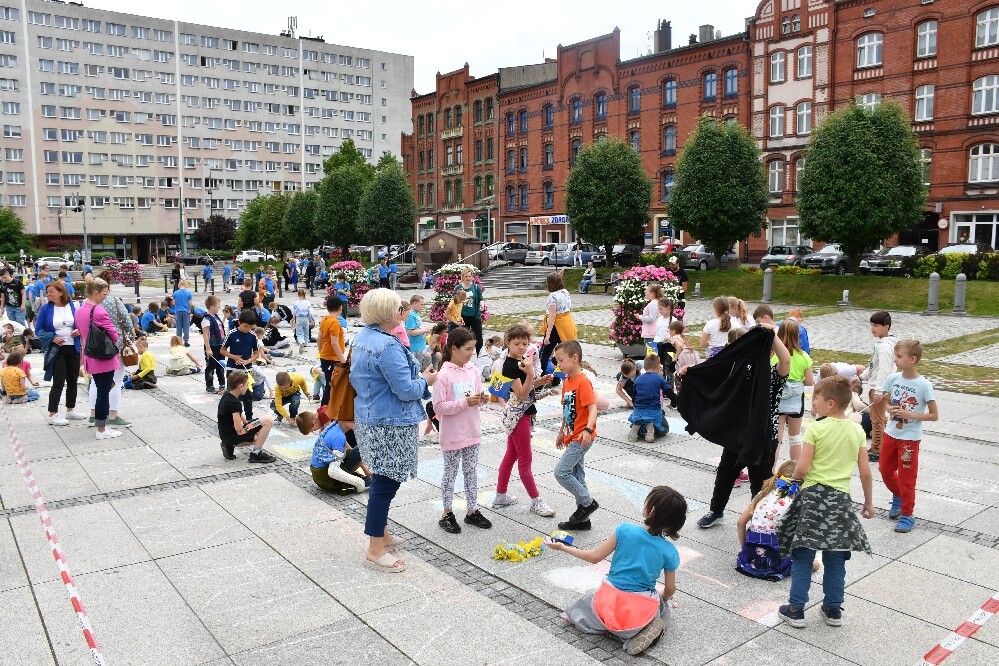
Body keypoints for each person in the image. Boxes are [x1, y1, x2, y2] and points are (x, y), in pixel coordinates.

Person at [351, 288, 439, 573]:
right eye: (399, 309)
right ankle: (375, 548)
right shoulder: (387, 346)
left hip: (369, 417)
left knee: (381, 477)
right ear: (388, 313)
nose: (402, 313)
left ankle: (382, 533)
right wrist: (426, 379)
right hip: (389, 422)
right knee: (386, 482)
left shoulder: (364, 337)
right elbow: (405, 390)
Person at [777, 376, 875, 628]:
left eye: (816, 399)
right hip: (840, 502)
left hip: (812, 500)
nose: (814, 402)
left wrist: (792, 481)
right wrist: (868, 502)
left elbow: (802, 467)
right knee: (836, 559)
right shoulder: (856, 430)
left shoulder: (817, 429)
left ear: (830, 403)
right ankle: (833, 609)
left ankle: (796, 610)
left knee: (803, 556)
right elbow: (865, 471)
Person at [550, 486, 685, 656]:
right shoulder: (669, 551)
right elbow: (670, 589)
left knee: (587, 600)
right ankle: (643, 631)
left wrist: (563, 548)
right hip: (637, 608)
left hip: (608, 599)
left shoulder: (624, 530)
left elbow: (594, 557)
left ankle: (602, 624)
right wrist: (662, 600)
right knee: (663, 611)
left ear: (651, 510)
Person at [683, 324, 791, 529]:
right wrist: (691, 371)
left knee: (760, 481)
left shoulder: (773, 375)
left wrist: (773, 335)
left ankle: (759, 515)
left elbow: (786, 359)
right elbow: (714, 376)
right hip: (737, 434)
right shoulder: (741, 373)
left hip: (763, 437)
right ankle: (716, 510)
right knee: (725, 473)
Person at [491, 323, 556, 517]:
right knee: (525, 460)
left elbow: (522, 387)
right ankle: (536, 501)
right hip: (519, 415)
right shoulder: (511, 365)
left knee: (511, 455)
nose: (521, 347)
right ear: (508, 343)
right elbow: (521, 393)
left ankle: (500, 495)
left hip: (518, 413)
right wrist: (530, 375)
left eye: (525, 343)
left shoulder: (519, 361)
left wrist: (538, 381)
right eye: (517, 343)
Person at [432, 327, 492, 533]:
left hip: (472, 431)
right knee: (450, 473)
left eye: (473, 349)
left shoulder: (473, 370)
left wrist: (480, 399)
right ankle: (446, 513)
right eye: (467, 349)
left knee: (471, 472)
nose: (471, 353)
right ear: (454, 348)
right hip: (452, 434)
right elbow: (439, 407)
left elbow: (475, 398)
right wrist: (464, 402)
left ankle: (472, 511)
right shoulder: (444, 375)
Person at [880, 339, 937, 534]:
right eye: (895, 356)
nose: (895, 360)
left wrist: (911, 415)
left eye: (899, 356)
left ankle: (907, 515)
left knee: (907, 477)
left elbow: (934, 415)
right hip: (890, 433)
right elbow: (886, 401)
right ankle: (898, 495)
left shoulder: (924, 385)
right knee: (885, 471)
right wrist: (889, 407)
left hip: (909, 439)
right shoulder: (893, 379)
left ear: (913, 359)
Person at [553, 340, 600, 530]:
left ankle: (588, 503)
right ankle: (583, 521)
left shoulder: (583, 381)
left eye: (561, 360)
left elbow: (593, 408)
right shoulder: (567, 382)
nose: (559, 365)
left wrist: (588, 430)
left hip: (582, 437)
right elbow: (566, 411)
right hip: (571, 435)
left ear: (575, 358)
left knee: (561, 472)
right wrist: (561, 432)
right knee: (577, 476)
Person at [735, 460, 802, 581]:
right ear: (797, 485)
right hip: (775, 559)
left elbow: (740, 523)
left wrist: (745, 549)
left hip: (752, 557)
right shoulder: (791, 505)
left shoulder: (763, 494)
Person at [85, 269, 135, 429]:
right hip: (115, 347)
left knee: (95, 382)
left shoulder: (86, 305)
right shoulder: (114, 301)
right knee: (117, 381)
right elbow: (127, 323)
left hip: (93, 348)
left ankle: (93, 414)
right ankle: (113, 414)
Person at [75, 278, 123, 440]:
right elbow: (113, 334)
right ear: (95, 292)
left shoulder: (81, 309)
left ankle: (102, 425)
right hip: (103, 356)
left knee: (100, 389)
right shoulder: (99, 310)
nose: (105, 297)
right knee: (104, 392)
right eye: (104, 293)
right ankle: (102, 429)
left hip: (90, 355)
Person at [36, 281, 86, 426]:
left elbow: (83, 323)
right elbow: (39, 330)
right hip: (57, 349)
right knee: (58, 380)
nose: (48, 294)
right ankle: (53, 413)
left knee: (73, 379)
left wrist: (79, 331)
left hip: (73, 347)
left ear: (61, 292)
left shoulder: (74, 306)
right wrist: (52, 337)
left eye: (51, 291)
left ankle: (70, 409)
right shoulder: (45, 309)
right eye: (47, 292)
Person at [857, 311, 897, 463]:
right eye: (871, 324)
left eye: (876, 325)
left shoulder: (886, 346)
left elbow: (885, 370)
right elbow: (874, 366)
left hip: (880, 389)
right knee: (878, 418)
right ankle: (883, 445)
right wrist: (862, 377)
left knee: (877, 421)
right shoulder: (881, 343)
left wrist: (879, 390)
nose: (872, 328)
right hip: (876, 387)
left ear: (886, 327)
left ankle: (877, 449)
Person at [775, 320, 813, 463]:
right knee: (795, 437)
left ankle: (770, 471)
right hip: (796, 400)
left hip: (778, 399)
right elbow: (810, 381)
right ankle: (794, 471)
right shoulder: (804, 356)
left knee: (777, 439)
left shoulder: (775, 356)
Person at [217, 370, 276, 463]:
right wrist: (252, 429)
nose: (248, 387)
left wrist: (250, 425)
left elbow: (240, 417)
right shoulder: (234, 403)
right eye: (247, 385)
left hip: (225, 435)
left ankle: (228, 445)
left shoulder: (227, 396)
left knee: (258, 436)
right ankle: (256, 454)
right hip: (233, 436)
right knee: (268, 420)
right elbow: (239, 429)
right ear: (241, 386)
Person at [305, 415, 369, 493]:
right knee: (377, 482)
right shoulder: (339, 436)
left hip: (319, 475)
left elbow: (351, 451)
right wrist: (359, 483)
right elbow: (333, 472)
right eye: (354, 421)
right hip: (328, 480)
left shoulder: (334, 426)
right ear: (346, 421)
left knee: (361, 448)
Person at [221, 310, 263, 420]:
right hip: (232, 369)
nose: (247, 329)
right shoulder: (232, 333)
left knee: (248, 395)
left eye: (250, 327)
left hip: (246, 370)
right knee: (231, 394)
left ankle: (249, 418)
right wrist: (234, 357)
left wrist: (247, 361)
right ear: (239, 322)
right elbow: (223, 350)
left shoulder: (253, 336)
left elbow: (256, 354)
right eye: (245, 326)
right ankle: (229, 416)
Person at [627, 354, 677, 443]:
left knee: (638, 419)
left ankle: (637, 427)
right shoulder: (659, 379)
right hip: (653, 411)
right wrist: (673, 404)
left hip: (638, 412)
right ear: (658, 367)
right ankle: (651, 427)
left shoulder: (638, 379)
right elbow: (672, 395)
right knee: (665, 428)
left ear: (644, 367)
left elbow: (634, 399)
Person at [540, 271, 577, 385]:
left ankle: (540, 378)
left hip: (556, 326)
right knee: (565, 353)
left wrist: (548, 335)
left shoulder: (552, 296)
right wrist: (558, 276)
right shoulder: (565, 292)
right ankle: (558, 377)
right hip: (567, 324)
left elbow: (552, 316)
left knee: (544, 354)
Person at [317, 295, 347, 406]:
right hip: (333, 359)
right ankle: (325, 411)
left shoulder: (324, 320)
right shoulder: (334, 323)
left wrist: (321, 353)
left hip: (325, 358)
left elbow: (319, 339)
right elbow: (334, 343)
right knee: (331, 386)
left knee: (330, 384)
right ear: (340, 307)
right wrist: (343, 360)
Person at [455, 267, 485, 354]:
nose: (468, 278)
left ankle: (480, 356)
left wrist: (481, 304)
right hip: (463, 316)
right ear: (463, 277)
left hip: (475, 316)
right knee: (463, 337)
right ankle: (463, 355)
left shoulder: (475, 287)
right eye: (466, 276)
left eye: (470, 276)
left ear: (472, 277)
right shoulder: (458, 288)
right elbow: (455, 301)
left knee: (478, 337)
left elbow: (481, 298)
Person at [669, 320, 700, 393]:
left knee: (679, 373)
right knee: (688, 372)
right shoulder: (683, 337)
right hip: (691, 354)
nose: (669, 333)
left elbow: (679, 346)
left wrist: (675, 357)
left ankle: (680, 394)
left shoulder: (674, 338)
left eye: (669, 331)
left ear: (673, 331)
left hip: (683, 355)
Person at [404, 295, 431, 369]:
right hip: (415, 347)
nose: (423, 306)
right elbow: (410, 331)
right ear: (415, 303)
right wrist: (424, 330)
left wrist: (424, 330)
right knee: (416, 368)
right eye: (421, 304)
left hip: (420, 346)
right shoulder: (411, 315)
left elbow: (418, 328)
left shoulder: (416, 314)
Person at [172, 279, 194, 346]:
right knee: (186, 326)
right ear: (186, 285)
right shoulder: (189, 293)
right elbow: (190, 304)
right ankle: (186, 341)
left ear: (179, 285)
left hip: (178, 311)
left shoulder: (175, 293)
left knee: (178, 326)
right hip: (186, 311)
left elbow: (173, 303)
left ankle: (178, 340)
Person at [291, 289, 313, 354]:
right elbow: (310, 312)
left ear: (298, 294)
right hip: (306, 318)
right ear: (305, 294)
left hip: (298, 318)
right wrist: (311, 320)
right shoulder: (307, 303)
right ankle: (305, 346)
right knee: (306, 332)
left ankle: (301, 342)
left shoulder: (295, 303)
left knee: (299, 332)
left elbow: (293, 312)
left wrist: (294, 319)